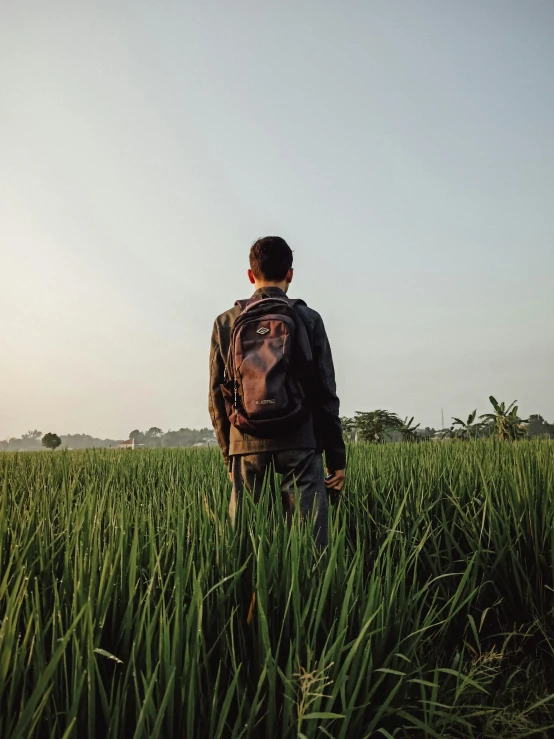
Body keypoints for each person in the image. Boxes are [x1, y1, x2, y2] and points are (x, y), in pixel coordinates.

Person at [208, 236, 345, 547]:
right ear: (290, 274)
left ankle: (244, 594)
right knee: (311, 546)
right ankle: (310, 593)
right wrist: (336, 457)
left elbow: (217, 398)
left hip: (246, 441)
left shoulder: (226, 322)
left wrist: (229, 456)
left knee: (242, 545)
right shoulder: (308, 319)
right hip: (300, 440)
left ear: (250, 275)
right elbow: (326, 393)